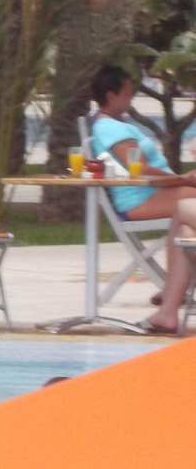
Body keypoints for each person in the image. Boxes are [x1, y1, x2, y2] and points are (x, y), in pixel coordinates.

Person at [88, 63, 196, 335]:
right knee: (186, 205)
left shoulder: (117, 126)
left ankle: (169, 307)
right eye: (127, 93)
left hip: (157, 192)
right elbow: (140, 169)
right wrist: (183, 179)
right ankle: (171, 300)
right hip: (142, 196)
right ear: (111, 95)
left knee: (184, 226)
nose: (131, 98)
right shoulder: (109, 128)